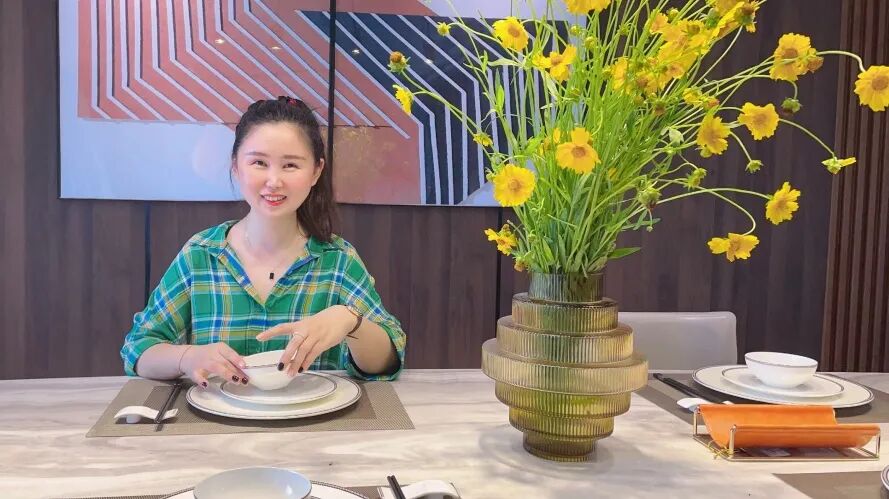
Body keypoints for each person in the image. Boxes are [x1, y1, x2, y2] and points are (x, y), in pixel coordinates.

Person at [121, 96, 405, 387]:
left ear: (316, 171)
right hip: (217, 415)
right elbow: (138, 349)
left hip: (315, 414)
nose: (274, 181)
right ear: (236, 166)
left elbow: (389, 360)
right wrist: (187, 357)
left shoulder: (338, 260)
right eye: (259, 162)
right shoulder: (201, 254)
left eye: (290, 165)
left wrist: (350, 321)